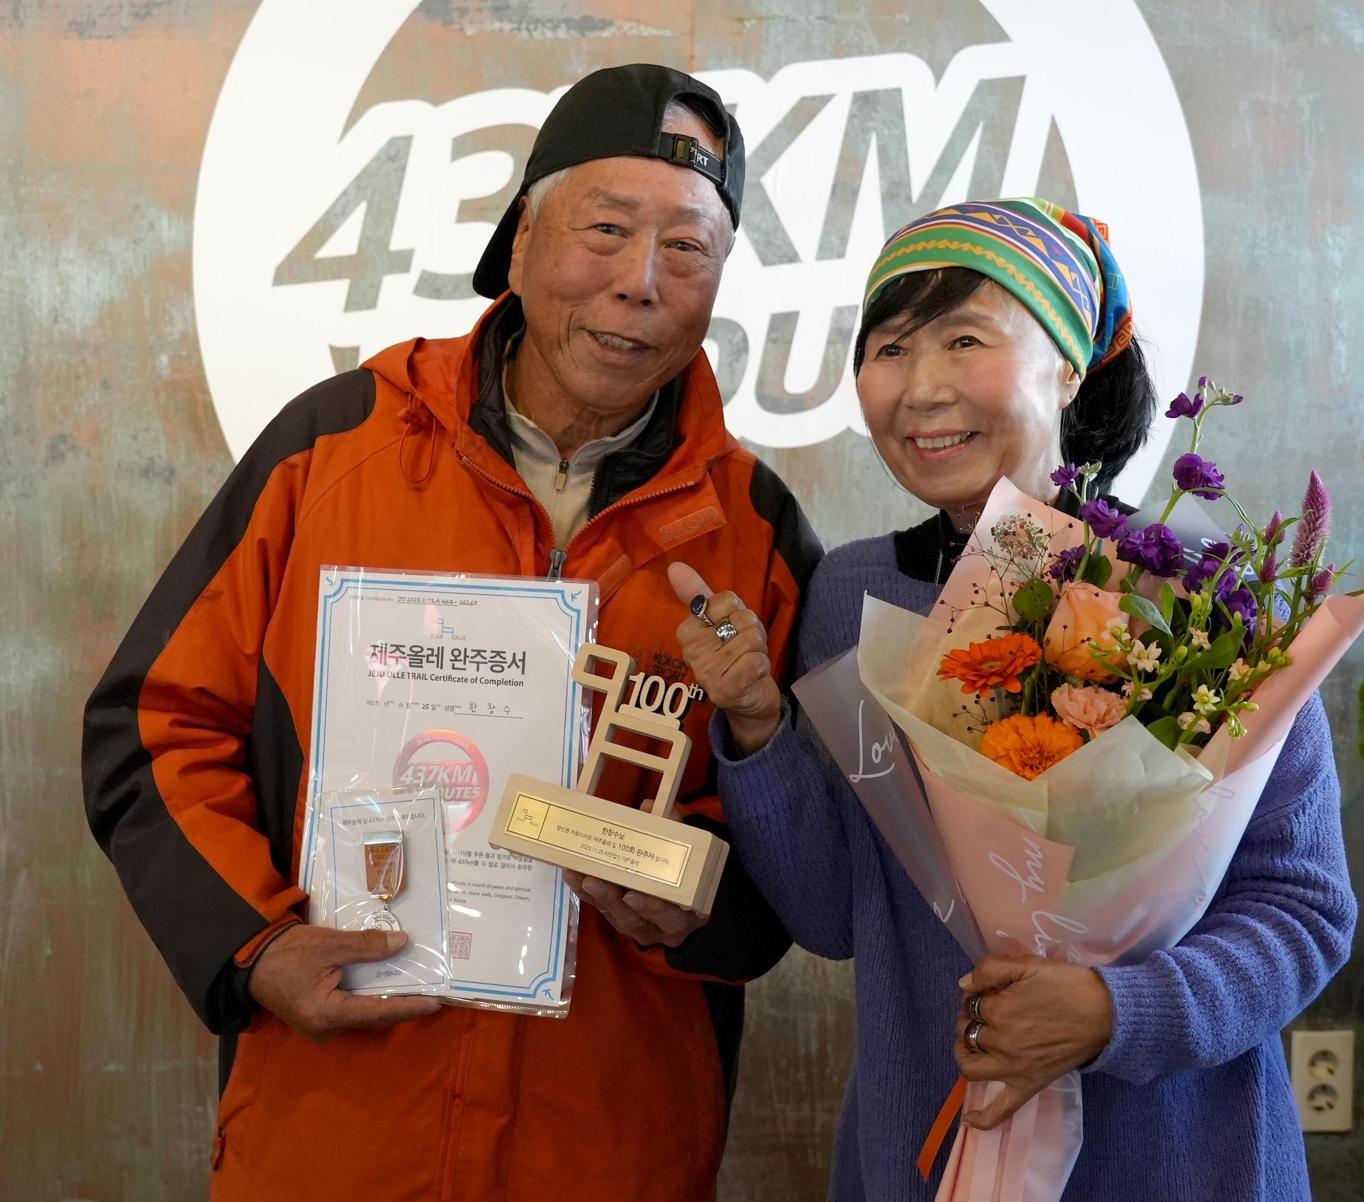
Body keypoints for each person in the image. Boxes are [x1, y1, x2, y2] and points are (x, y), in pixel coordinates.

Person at [83, 64, 819, 1200]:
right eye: (606, 229)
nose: (639, 282)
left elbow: (809, 858)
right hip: (335, 1134)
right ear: (520, 242)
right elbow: (152, 725)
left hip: (611, 1150)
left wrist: (702, 905)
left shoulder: (755, 529)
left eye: (688, 249)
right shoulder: (335, 448)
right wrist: (256, 946)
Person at [670, 198, 1357, 1201]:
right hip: (927, 1142)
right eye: (890, 348)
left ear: (1069, 367)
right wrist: (755, 721)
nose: (922, 386)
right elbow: (833, 916)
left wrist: (1117, 1009)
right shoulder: (853, 597)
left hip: (1179, 1159)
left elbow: (1301, 908)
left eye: (965, 338)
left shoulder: (1196, 591)